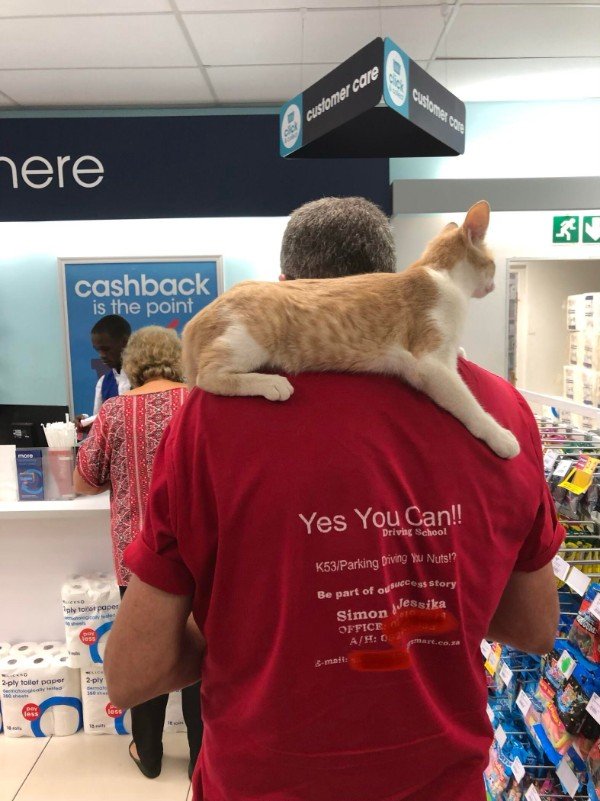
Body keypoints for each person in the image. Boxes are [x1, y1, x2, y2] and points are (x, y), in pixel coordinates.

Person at [104, 198, 561, 801]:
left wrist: (251, 631)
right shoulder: (503, 416)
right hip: (440, 783)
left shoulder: (212, 422)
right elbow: (533, 627)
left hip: (261, 784)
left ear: (290, 288)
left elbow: (136, 671)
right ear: (386, 276)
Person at [73, 325, 202, 781]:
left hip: (140, 558)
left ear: (132, 365)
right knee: (199, 654)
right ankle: (200, 760)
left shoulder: (113, 412)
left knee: (148, 651)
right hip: (201, 556)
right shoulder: (202, 403)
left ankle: (147, 754)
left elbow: (83, 479)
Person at [76, 315, 132, 432]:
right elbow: (100, 424)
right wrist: (87, 423)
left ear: (125, 342)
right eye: (98, 350)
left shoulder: (147, 379)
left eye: (106, 349)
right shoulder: (103, 383)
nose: (101, 355)